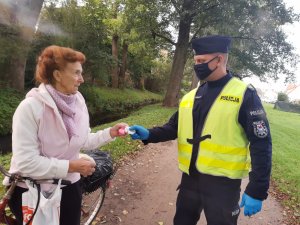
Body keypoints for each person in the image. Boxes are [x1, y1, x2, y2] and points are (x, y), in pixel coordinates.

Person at [129, 35, 272, 225]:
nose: (197, 66)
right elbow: (174, 127)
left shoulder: (244, 94)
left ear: (219, 60)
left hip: (223, 186)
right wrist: (149, 134)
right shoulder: (191, 96)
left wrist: (257, 189)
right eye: (196, 61)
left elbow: (261, 142)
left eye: (202, 61)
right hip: (190, 180)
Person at [3, 45, 127, 225]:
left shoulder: (78, 101)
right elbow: (26, 162)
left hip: (69, 187)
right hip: (32, 192)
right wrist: (70, 166)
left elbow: (82, 139)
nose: (82, 79)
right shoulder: (30, 108)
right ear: (57, 75)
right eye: (76, 73)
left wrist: (110, 132)